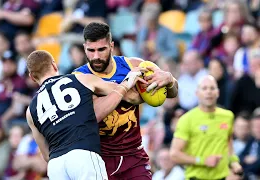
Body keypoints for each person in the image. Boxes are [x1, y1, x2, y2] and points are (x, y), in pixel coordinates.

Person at [73, 22, 178, 179]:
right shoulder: (78, 78)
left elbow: (172, 93)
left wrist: (169, 79)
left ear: (111, 46)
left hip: (134, 155)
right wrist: (125, 89)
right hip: (100, 159)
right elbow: (95, 114)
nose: (96, 56)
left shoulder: (132, 64)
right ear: (84, 48)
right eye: (91, 50)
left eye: (101, 49)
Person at [25, 50, 146, 179]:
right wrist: (130, 82)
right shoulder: (80, 78)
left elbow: (46, 155)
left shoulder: (30, 111)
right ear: (54, 65)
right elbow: (126, 96)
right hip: (83, 154)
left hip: (56, 166)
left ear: (32, 77)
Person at [170, 75, 243, 179]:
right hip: (196, 177)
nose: (209, 92)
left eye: (212, 88)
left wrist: (234, 162)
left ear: (218, 92)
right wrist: (203, 160)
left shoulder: (228, 116)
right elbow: (174, 154)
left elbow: (228, 144)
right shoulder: (187, 119)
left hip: (221, 177)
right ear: (197, 93)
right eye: (204, 88)